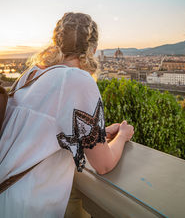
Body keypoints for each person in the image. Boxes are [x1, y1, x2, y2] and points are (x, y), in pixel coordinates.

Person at [0, 12, 134, 218]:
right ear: (93, 49)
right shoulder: (77, 79)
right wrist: (123, 135)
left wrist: (96, 133)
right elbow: (104, 164)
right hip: (29, 205)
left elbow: (40, 130)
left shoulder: (32, 73)